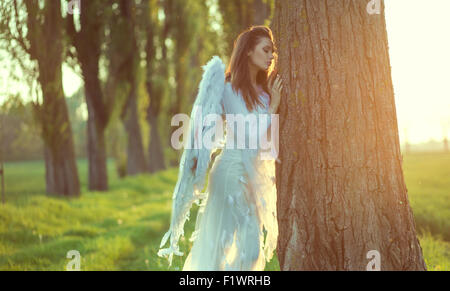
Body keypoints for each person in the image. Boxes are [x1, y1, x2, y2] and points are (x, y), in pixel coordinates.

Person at [157, 25, 283, 271]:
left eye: (273, 52)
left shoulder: (267, 94)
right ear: (248, 51)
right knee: (217, 249)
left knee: (251, 252)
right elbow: (249, 137)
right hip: (230, 173)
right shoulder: (228, 89)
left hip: (252, 178)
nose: (271, 56)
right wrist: (273, 110)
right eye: (265, 50)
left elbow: (268, 146)